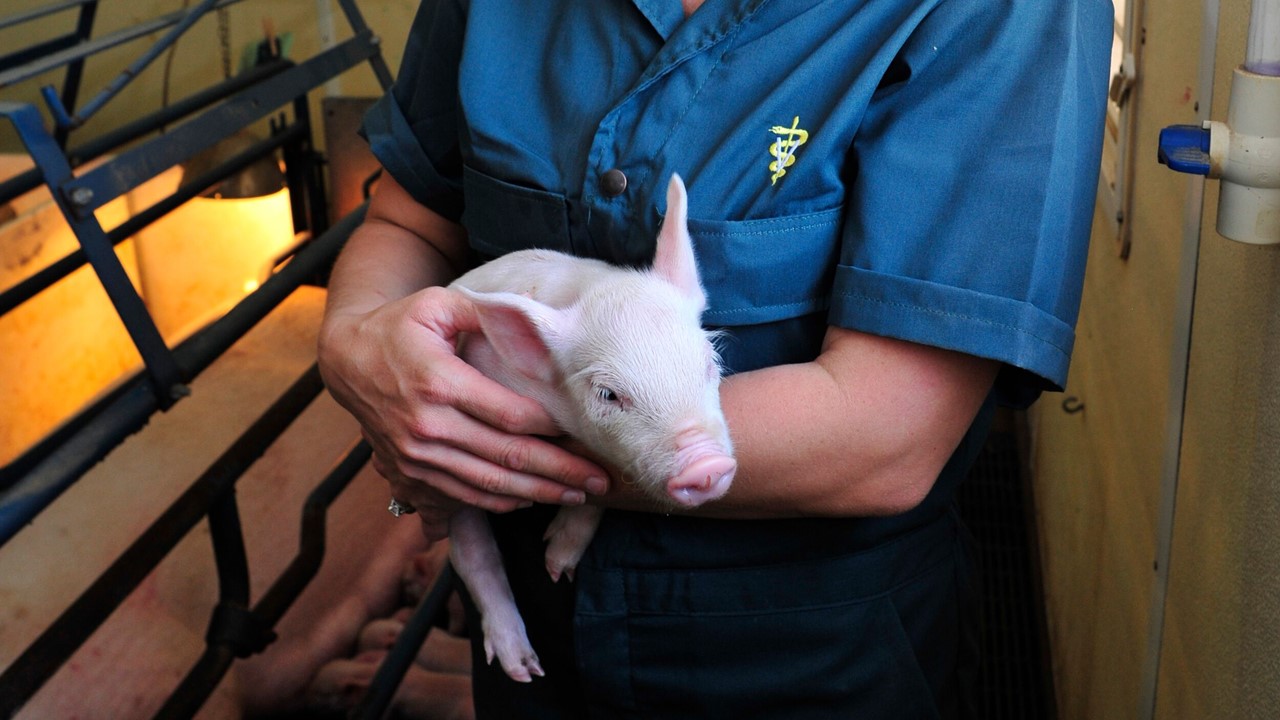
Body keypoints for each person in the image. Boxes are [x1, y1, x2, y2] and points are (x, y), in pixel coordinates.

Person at [317, 0, 1112, 717]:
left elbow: (886, 440)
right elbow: (411, 222)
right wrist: (353, 348)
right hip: (537, 639)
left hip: (810, 655)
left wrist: (471, 446)